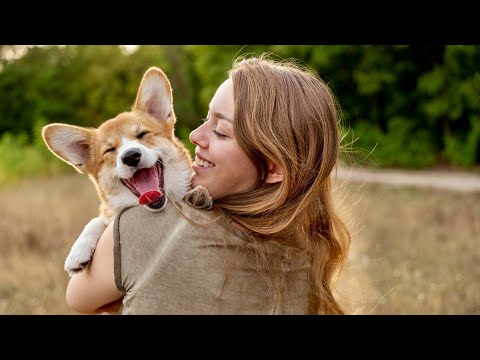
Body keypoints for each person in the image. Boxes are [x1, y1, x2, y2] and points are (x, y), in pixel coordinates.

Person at [65, 54, 351, 315]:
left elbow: (77, 298)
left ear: (274, 167)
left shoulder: (146, 228)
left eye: (221, 131)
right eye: (206, 118)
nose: (193, 136)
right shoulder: (308, 254)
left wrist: (105, 228)